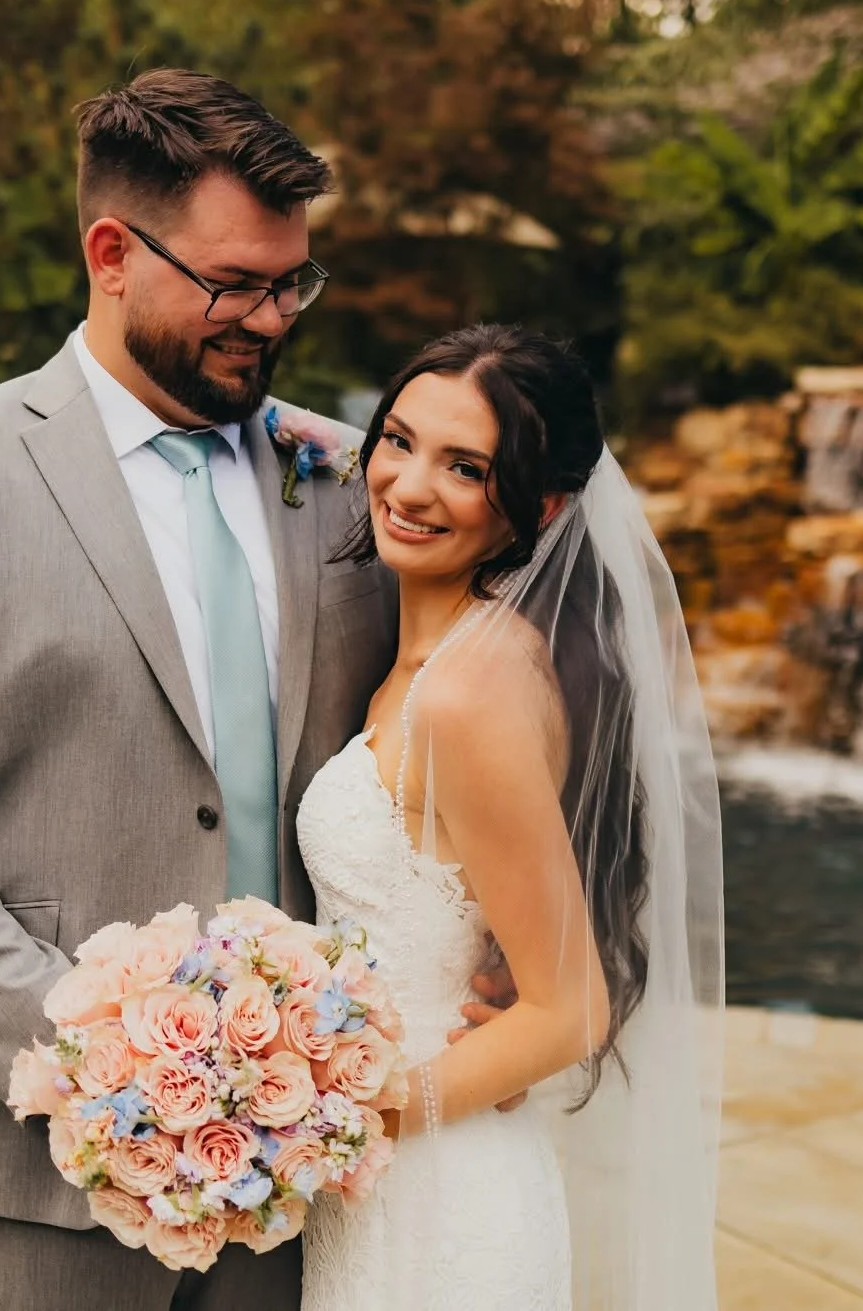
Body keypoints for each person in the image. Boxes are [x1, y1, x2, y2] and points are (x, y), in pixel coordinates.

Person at [0, 68, 388, 1310]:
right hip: (42, 1158)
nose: (272, 319)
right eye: (233, 283)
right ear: (112, 252)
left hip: (311, 1144)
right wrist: (79, 1043)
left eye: (293, 283)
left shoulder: (342, 479)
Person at [294, 325, 725, 1311]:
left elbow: (571, 1007)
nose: (405, 487)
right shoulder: (482, 651)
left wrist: (332, 1116)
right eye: (395, 440)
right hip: (390, 1174)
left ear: (539, 506)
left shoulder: (466, 696)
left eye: (465, 468)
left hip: (435, 1192)